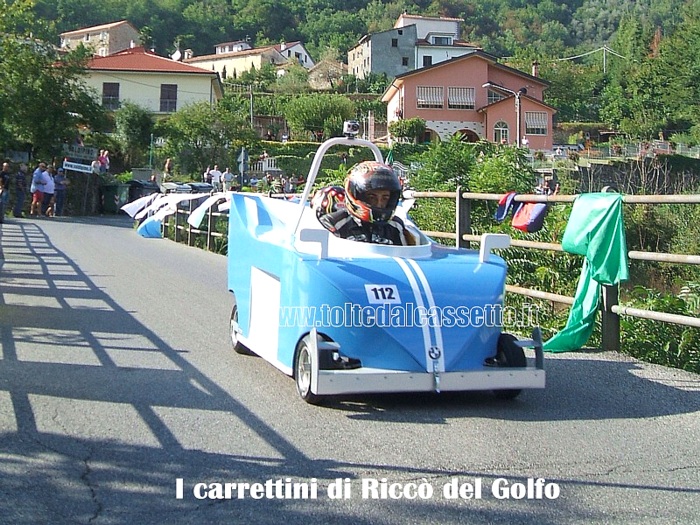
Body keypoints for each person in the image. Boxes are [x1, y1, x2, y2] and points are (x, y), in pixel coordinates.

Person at [318, 161, 414, 245]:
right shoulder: (333, 223)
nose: (379, 204)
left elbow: (412, 256)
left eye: (385, 198)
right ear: (356, 195)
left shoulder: (396, 226)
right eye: (372, 197)